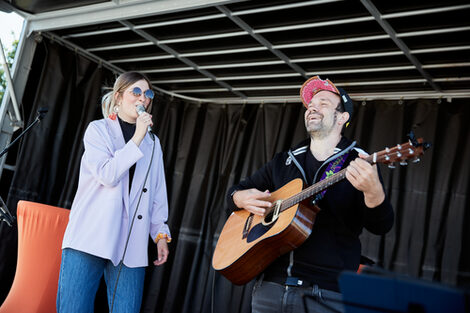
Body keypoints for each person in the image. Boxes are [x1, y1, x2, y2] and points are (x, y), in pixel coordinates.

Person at [226, 76, 394, 313]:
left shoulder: (360, 162)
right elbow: (233, 194)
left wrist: (374, 192)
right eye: (310, 105)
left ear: (342, 117)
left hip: (324, 295)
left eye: (323, 103)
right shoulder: (283, 160)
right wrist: (238, 198)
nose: (312, 107)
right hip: (269, 289)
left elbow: (382, 226)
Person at [57, 71, 171, 313]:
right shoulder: (98, 130)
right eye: (136, 92)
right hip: (90, 236)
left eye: (148, 94)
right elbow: (108, 175)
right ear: (118, 97)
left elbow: (157, 193)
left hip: (131, 241)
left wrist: (160, 234)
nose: (143, 98)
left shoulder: (153, 143)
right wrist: (138, 137)